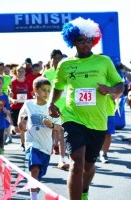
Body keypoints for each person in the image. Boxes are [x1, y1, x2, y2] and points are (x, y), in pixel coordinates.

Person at [48, 17, 124, 200]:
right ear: (73, 41)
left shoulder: (104, 61)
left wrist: (111, 90)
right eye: (81, 40)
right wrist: (51, 103)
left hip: (97, 120)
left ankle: (84, 191)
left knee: (89, 165)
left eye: (89, 39)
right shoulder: (65, 65)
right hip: (73, 117)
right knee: (76, 161)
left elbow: (120, 85)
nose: (85, 44)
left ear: (94, 40)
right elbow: (58, 88)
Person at [18, 77, 61, 200]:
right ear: (35, 90)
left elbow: (58, 127)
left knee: (38, 175)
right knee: (34, 169)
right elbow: (22, 118)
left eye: (49, 90)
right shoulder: (28, 104)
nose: (46, 93)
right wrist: (21, 124)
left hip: (46, 146)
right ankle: (34, 198)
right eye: (44, 90)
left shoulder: (51, 107)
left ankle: (34, 189)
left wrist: (51, 125)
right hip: (32, 143)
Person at [43, 49, 69, 170]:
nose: (58, 61)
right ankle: (48, 152)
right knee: (52, 132)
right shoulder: (47, 74)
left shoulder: (66, 72)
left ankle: (62, 159)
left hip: (65, 106)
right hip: (51, 106)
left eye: (60, 58)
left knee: (62, 132)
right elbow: (39, 89)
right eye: (56, 58)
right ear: (51, 59)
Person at [8, 64, 32, 148]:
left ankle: (23, 143)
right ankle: (13, 129)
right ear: (15, 72)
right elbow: (9, 96)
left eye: (22, 71)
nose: (21, 73)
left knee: (23, 125)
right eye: (19, 71)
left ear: (25, 72)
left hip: (25, 107)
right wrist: (13, 100)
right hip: (15, 107)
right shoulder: (13, 82)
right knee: (17, 129)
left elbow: (32, 94)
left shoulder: (28, 82)